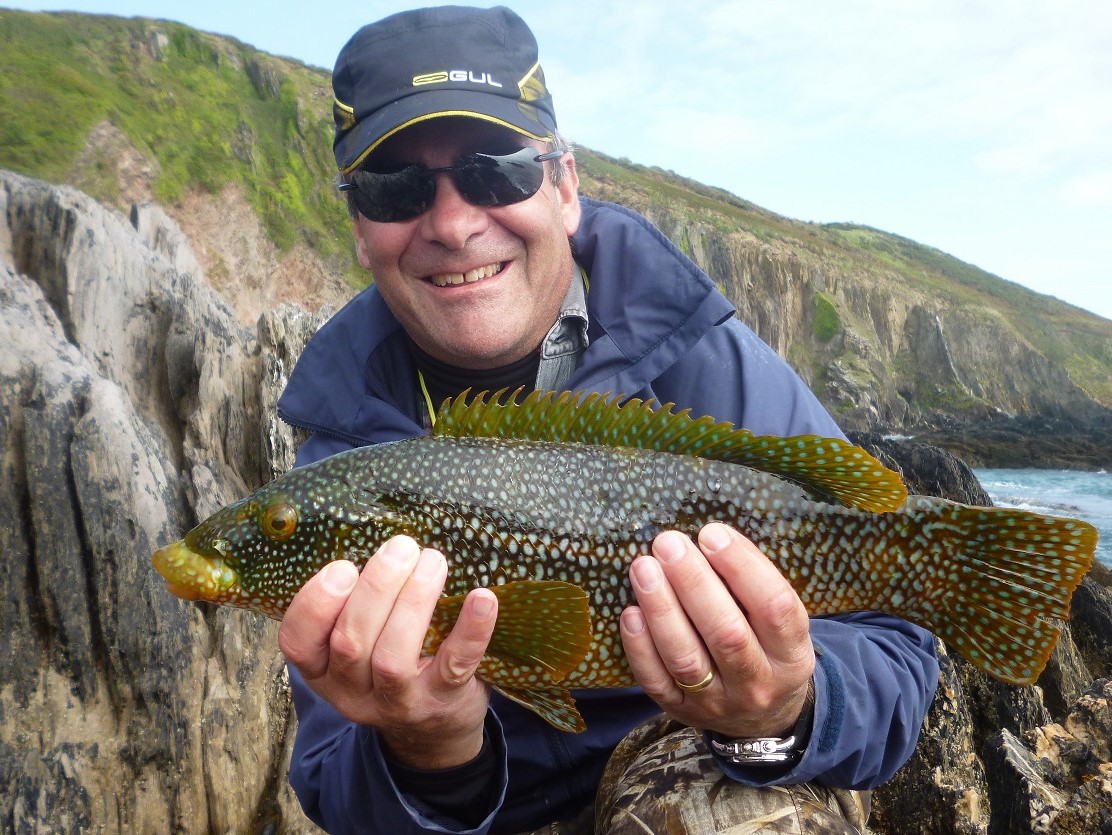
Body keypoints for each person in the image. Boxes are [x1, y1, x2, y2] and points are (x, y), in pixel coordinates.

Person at [275, 6, 939, 834]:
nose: (452, 223)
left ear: (563, 188)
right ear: (360, 224)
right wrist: (429, 746)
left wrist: (788, 707)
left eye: (496, 170)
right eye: (395, 187)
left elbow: (901, 652)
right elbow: (334, 782)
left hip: (701, 762)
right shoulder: (339, 468)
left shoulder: (702, 359)